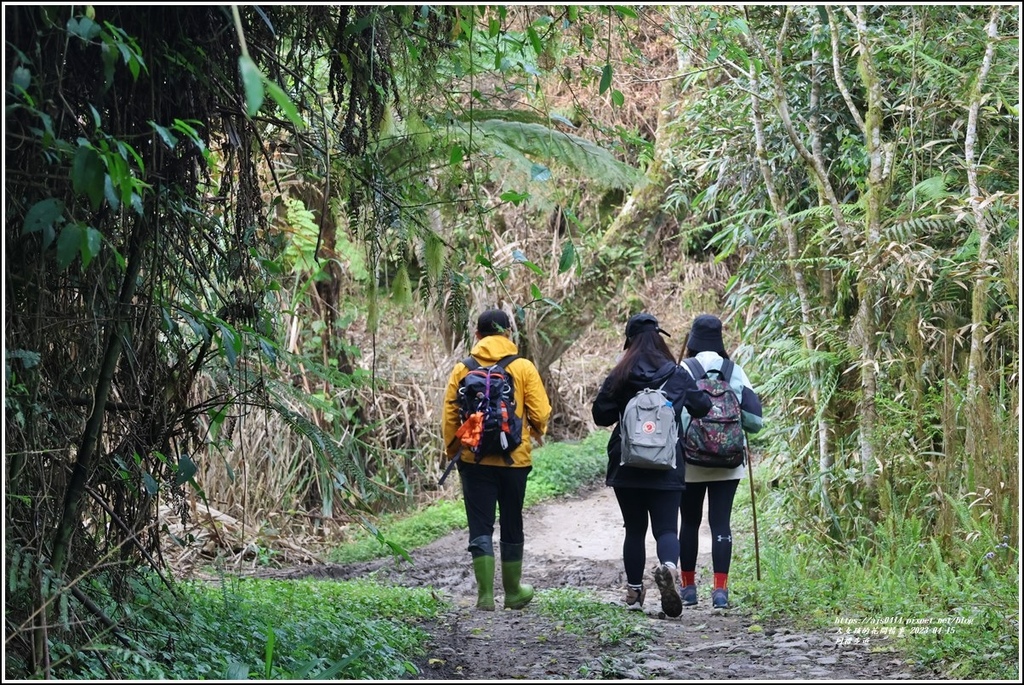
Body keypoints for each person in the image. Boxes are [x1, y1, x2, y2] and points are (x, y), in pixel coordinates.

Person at [591, 313, 712, 616]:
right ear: (660, 338)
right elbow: (702, 407)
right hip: (667, 462)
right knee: (667, 528)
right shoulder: (677, 374)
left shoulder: (620, 374)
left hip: (626, 463)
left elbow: (600, 415)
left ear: (629, 341)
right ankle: (669, 568)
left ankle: (634, 592)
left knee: (634, 529)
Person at [442, 308, 552, 611]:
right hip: (514, 459)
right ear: (508, 334)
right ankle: (514, 591)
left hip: (473, 459)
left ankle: (485, 596)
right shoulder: (523, 367)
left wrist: (455, 451)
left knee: (480, 524)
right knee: (512, 519)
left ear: (477, 335)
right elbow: (541, 413)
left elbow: (451, 415)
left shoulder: (462, 369)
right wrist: (536, 431)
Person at [676, 314, 763, 609]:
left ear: (692, 340)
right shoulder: (735, 370)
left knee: (689, 522)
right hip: (729, 462)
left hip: (690, 461)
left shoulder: (684, 369)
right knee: (720, 523)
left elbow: (670, 412)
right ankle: (720, 592)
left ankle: (688, 589)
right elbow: (754, 421)